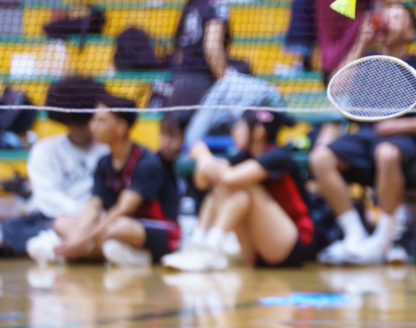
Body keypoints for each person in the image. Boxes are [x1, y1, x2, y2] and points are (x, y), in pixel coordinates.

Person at [310, 3, 416, 265]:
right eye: (387, 15)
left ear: (411, 32)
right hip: (365, 136)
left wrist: (400, 126)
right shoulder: (367, 62)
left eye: (397, 17)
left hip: (402, 137)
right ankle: (355, 234)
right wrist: (361, 42)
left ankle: (383, 239)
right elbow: (337, 90)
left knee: (386, 153)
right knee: (319, 159)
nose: (387, 20)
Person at [28, 93, 181, 267]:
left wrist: (82, 240)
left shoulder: (147, 162)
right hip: (115, 227)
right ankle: (112, 252)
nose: (93, 126)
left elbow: (123, 209)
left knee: (118, 226)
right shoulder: (104, 162)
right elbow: (94, 205)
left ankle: (67, 251)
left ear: (121, 128)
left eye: (101, 121)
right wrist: (79, 237)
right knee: (61, 222)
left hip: (159, 230)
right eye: (94, 120)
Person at [163, 109, 313, 271]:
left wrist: (204, 156)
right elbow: (202, 183)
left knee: (243, 186)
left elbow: (229, 177)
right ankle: (198, 244)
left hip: (295, 242)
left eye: (239, 127)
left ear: (258, 132)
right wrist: (204, 161)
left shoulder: (277, 156)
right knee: (227, 187)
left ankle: (210, 249)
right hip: (261, 245)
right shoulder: (242, 157)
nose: (234, 132)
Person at [1, 77, 108, 257]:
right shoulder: (45, 150)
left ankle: (67, 246)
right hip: (50, 219)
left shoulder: (107, 151)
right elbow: (48, 199)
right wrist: (79, 216)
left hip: (97, 220)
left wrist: (90, 219)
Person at [163, 0, 230, 113]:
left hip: (179, 83)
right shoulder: (215, 5)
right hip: (203, 82)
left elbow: (178, 52)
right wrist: (226, 83)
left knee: (177, 132)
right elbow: (212, 47)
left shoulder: (190, 6)